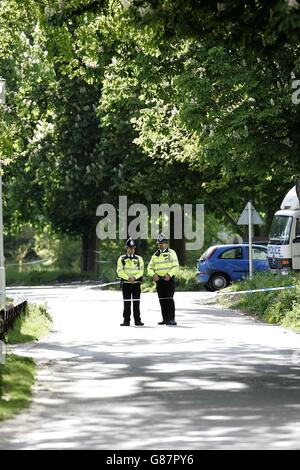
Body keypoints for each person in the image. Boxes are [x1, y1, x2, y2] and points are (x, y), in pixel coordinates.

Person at [148, 233, 179, 326]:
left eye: (163, 243)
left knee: (169, 299)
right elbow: (149, 268)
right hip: (159, 281)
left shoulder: (171, 253)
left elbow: (176, 266)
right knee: (162, 300)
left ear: (166, 243)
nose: (161, 244)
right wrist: (153, 275)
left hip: (169, 280)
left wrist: (169, 275)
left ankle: (172, 319)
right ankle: (165, 319)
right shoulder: (155, 255)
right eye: (159, 243)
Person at [117, 238, 144, 326]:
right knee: (127, 303)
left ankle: (137, 320)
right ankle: (126, 321)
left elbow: (141, 271)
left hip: (136, 284)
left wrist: (134, 278)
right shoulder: (121, 259)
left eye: (132, 248)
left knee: (136, 302)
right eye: (129, 248)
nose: (131, 249)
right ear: (126, 248)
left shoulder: (139, 259)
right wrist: (128, 278)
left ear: (134, 248)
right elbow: (119, 271)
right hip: (126, 284)